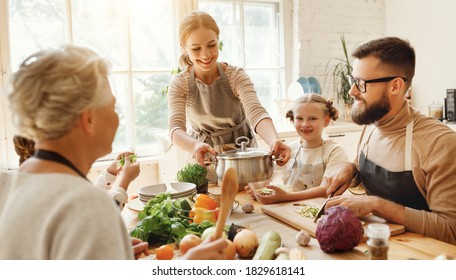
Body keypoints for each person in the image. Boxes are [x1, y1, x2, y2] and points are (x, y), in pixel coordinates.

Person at [0, 45, 228, 259]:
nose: (117, 116)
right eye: (112, 106)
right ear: (88, 119)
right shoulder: (90, 206)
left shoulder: (5, 187)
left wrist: (108, 251)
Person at [321, 37, 456, 244]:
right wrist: (350, 169)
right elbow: (365, 172)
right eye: (352, 80)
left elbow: (450, 230)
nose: (352, 91)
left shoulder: (440, 143)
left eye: (361, 83)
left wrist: (376, 205)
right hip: (377, 245)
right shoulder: (372, 122)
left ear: (395, 86)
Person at [167, 11, 291, 183]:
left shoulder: (235, 75)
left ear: (218, 40)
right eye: (196, 48)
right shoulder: (180, 84)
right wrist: (195, 146)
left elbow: (256, 113)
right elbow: (175, 130)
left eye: (212, 45)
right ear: (184, 47)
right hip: (204, 158)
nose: (206, 54)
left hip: (244, 159)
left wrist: (274, 140)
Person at [245, 94, 348, 204]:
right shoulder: (290, 149)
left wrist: (285, 197)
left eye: (312, 118)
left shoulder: (335, 152)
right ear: (292, 120)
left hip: (319, 210)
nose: (305, 124)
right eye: (299, 118)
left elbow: (325, 190)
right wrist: (260, 189)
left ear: (326, 121)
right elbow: (276, 182)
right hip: (290, 208)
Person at [13, 134, 139, 209]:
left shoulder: (35, 178)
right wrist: (125, 179)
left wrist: (111, 173)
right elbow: (98, 216)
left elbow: (88, 203)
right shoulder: (53, 184)